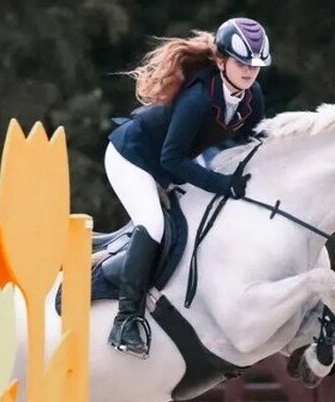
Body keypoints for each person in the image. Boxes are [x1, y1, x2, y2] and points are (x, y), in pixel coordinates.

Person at [105, 17, 271, 359]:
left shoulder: (252, 96)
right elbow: (171, 159)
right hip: (133, 157)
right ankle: (126, 320)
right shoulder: (197, 98)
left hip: (176, 158)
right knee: (153, 224)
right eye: (242, 63)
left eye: (255, 65)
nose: (249, 72)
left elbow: (253, 142)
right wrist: (222, 184)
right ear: (221, 60)